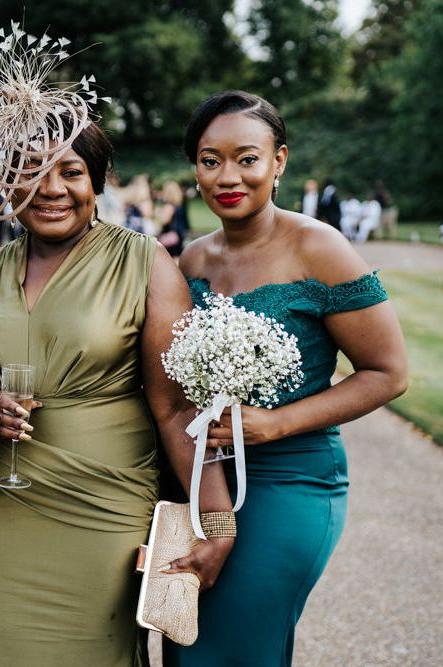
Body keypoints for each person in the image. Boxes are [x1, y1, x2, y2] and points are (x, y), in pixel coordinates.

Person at [0, 27, 235, 666]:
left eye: (70, 172)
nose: (50, 189)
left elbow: (178, 408)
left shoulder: (147, 264)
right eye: (30, 173)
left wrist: (214, 519)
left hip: (107, 503)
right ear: (5, 187)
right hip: (1, 503)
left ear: (98, 179)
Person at [164, 90, 408, 667]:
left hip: (293, 480)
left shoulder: (320, 248)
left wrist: (276, 424)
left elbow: (389, 372)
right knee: (181, 638)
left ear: (279, 162)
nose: (228, 176)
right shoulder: (191, 261)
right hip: (203, 478)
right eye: (209, 159)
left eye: (247, 158)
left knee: (229, 646)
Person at [157, 180, 188, 257]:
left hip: (170, 237)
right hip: (179, 235)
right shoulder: (178, 206)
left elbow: (164, 220)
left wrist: (159, 212)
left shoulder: (169, 206)